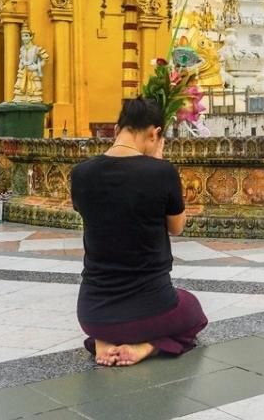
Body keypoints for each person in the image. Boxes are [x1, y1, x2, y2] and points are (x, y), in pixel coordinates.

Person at [70, 98, 208, 367]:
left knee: (112, 323)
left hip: (91, 314)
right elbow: (177, 228)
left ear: (117, 127)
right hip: (149, 311)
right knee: (193, 310)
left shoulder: (81, 173)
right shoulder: (161, 172)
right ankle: (149, 347)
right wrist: (157, 163)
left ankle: (102, 341)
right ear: (155, 133)